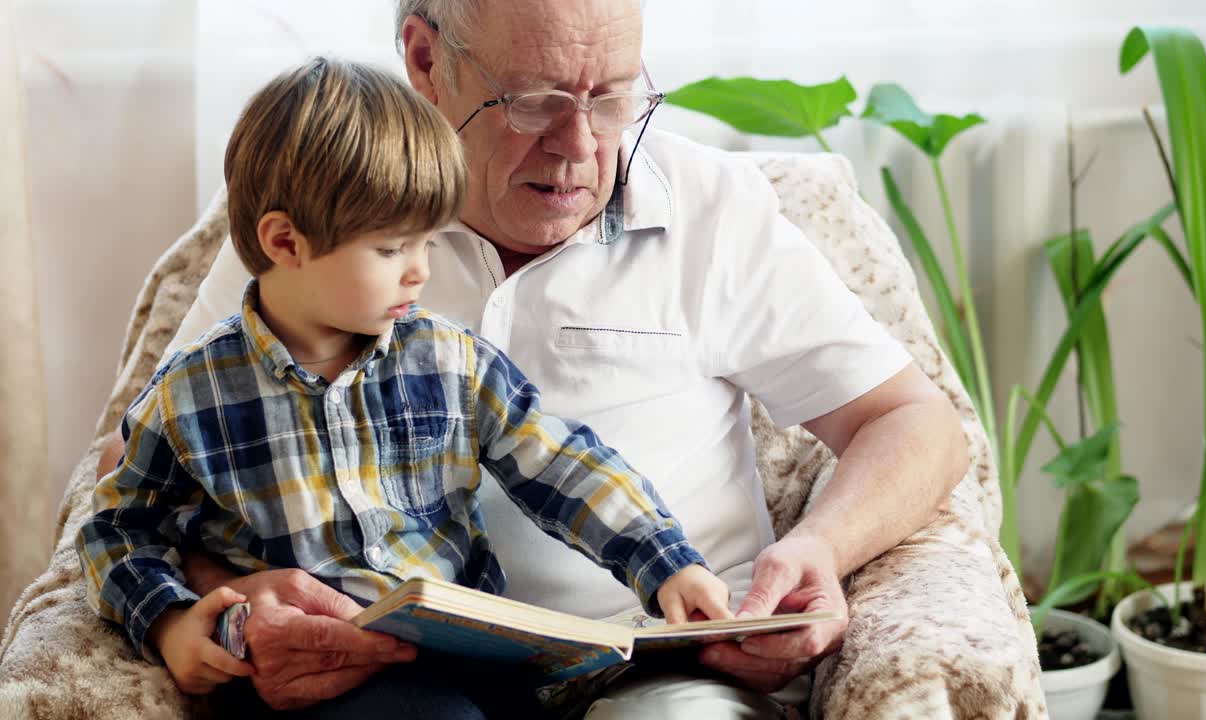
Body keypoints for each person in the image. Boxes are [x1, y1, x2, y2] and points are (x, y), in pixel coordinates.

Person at [96, 0, 971, 716]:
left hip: (664, 669)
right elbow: (138, 472)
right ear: (426, 59)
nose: (584, 144)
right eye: (536, 98)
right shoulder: (329, 209)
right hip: (397, 672)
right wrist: (221, 604)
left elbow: (912, 421)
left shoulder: (714, 210)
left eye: (615, 96)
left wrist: (810, 549)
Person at [78, 57, 733, 719]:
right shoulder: (194, 392)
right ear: (285, 242)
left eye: (428, 241)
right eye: (393, 249)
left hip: (469, 661)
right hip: (316, 680)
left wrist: (666, 562)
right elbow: (118, 528)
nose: (420, 271)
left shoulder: (448, 361)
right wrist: (170, 623)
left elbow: (563, 465)